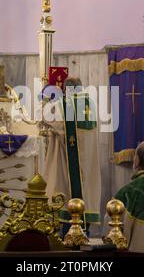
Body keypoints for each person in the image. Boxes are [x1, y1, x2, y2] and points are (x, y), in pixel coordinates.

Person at [41, 77, 101, 235]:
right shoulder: (91, 104)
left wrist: (45, 103)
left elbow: (52, 121)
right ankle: (85, 231)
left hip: (68, 159)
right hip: (89, 159)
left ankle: (69, 232)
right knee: (86, 189)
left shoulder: (65, 105)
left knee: (67, 190)